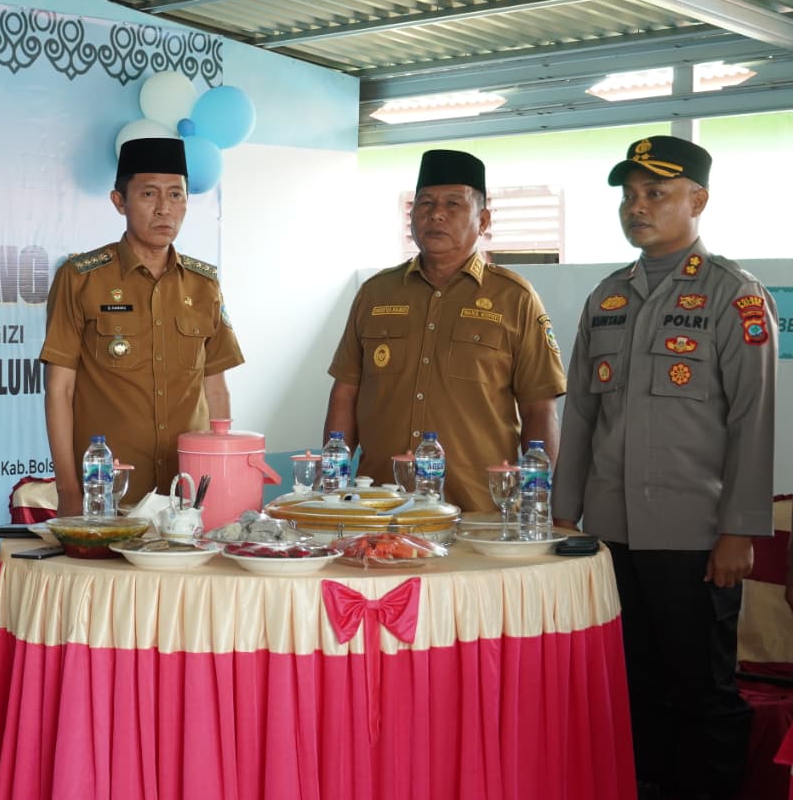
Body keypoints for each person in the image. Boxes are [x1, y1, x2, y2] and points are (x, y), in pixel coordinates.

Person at [553, 135, 776, 800]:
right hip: (610, 535)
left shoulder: (734, 294)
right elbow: (582, 414)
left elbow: (753, 420)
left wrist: (739, 531)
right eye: (629, 195)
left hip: (694, 536)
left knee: (703, 691)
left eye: (656, 192)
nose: (637, 207)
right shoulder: (607, 297)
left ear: (697, 200)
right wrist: (564, 515)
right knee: (631, 686)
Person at [324, 149, 565, 512]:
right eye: (425, 203)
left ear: (483, 220)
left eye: (453, 203)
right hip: (379, 507)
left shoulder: (514, 298)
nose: (436, 214)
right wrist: (333, 490)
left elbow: (539, 410)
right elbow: (345, 394)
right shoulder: (376, 294)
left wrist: (540, 503)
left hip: (479, 510)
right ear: (411, 217)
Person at [40, 137, 244, 515]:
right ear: (120, 202)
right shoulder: (81, 278)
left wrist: (222, 477)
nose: (164, 208)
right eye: (149, 194)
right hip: (109, 497)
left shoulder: (204, 285)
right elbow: (59, 390)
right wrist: (68, 489)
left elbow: (216, 390)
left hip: (188, 496)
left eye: (176, 195)